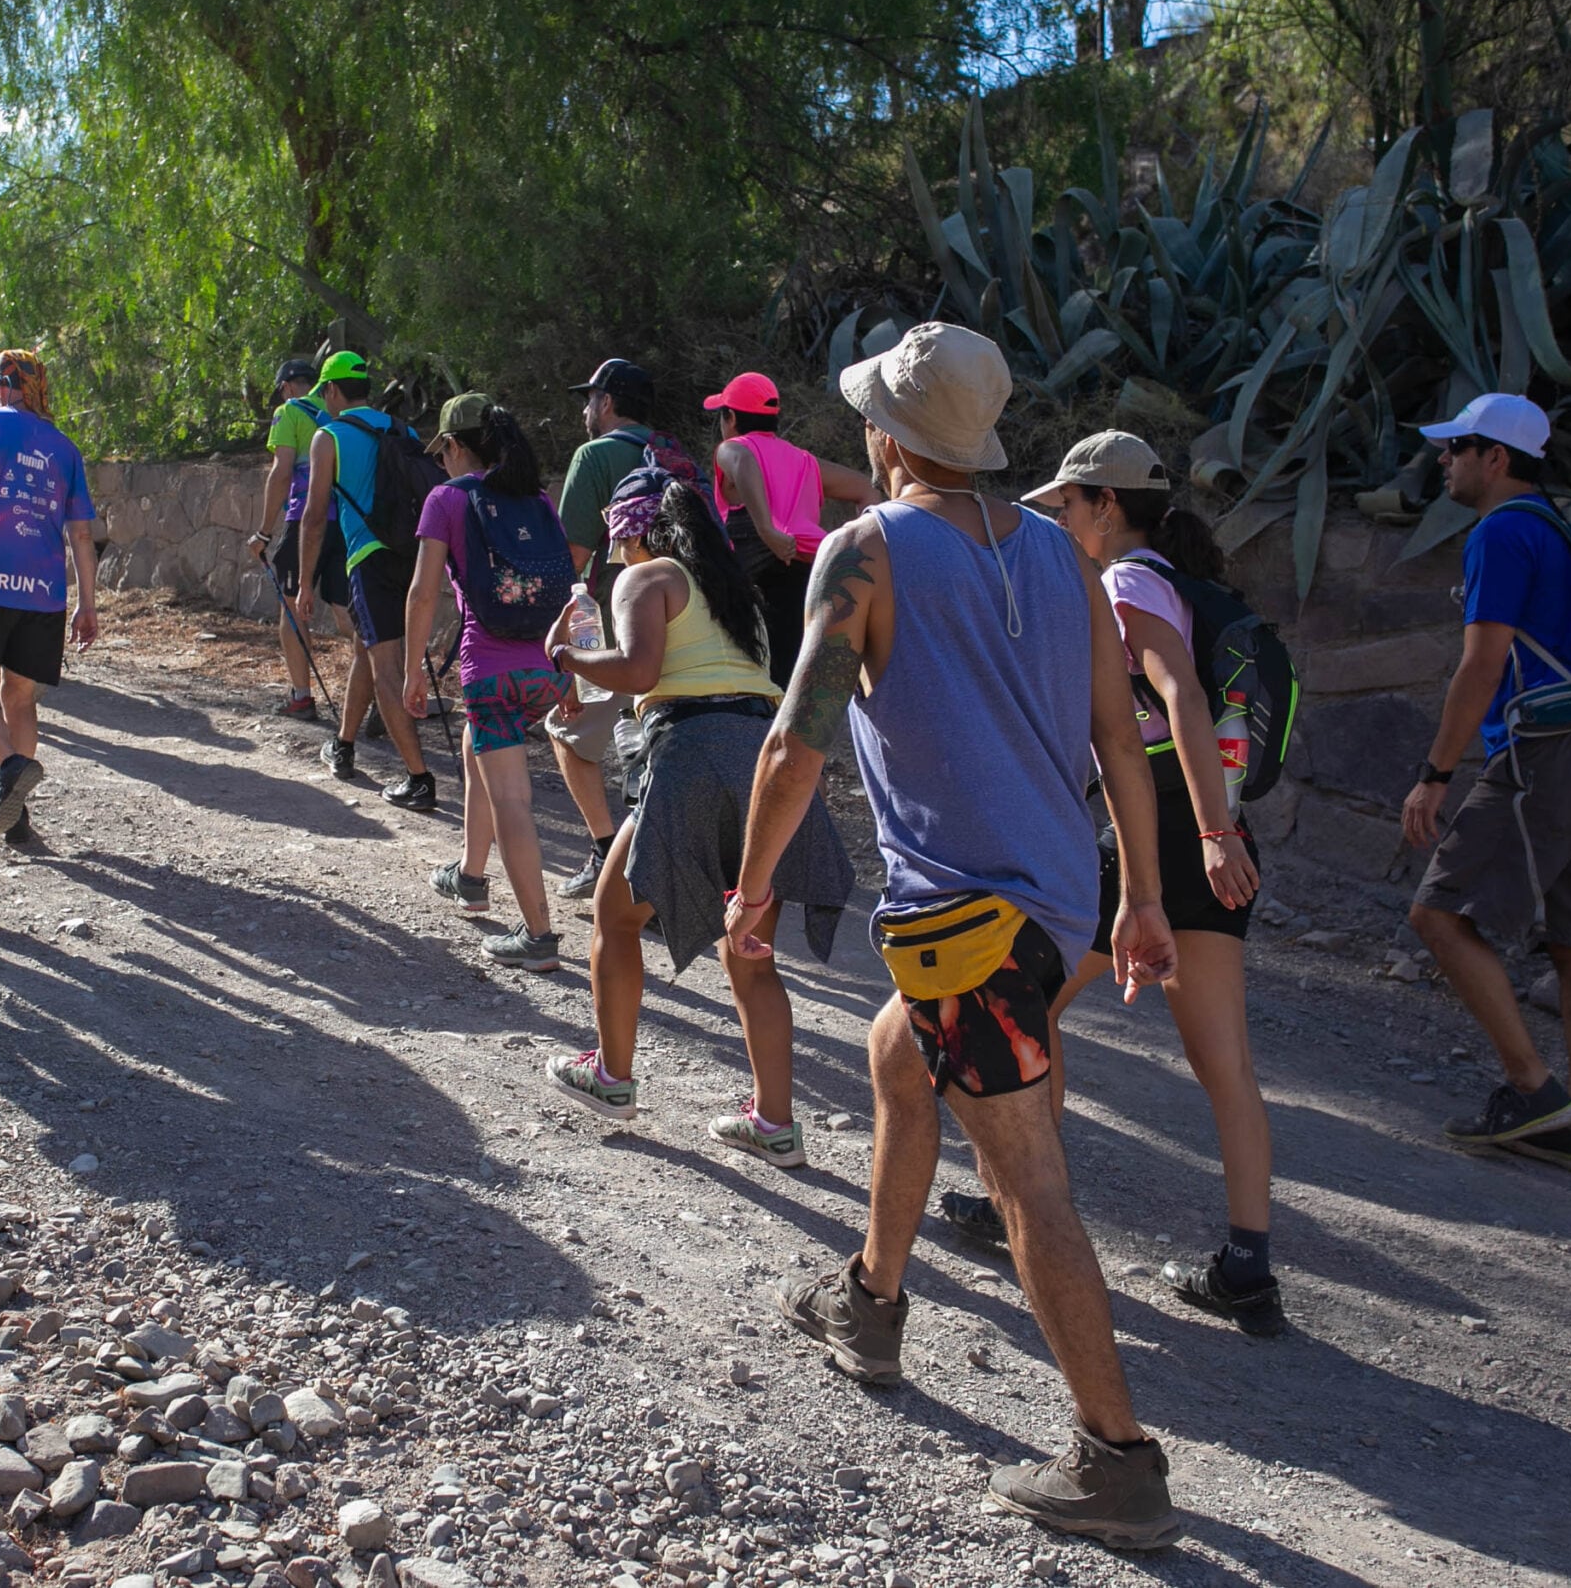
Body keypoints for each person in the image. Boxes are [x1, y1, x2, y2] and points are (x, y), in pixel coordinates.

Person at [725, 322, 1180, 1547]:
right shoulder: (1061, 553)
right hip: (1054, 904)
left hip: (963, 927)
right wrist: (1137, 896)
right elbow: (1118, 741)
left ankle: (1116, 1462)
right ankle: (870, 1302)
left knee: (1025, 1176)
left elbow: (794, 740)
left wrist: (752, 887)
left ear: (886, 438)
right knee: (893, 1056)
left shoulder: (861, 553)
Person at [1008, 430, 1282, 1336]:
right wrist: (1224, 830)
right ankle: (1248, 1264)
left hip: (1161, 831)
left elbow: (1181, 699)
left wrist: (1203, 834)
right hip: (1205, 829)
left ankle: (1024, 1205)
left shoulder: (1127, 583)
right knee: (1225, 1064)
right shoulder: (1182, 580)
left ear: (1106, 506)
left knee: (1029, 1003)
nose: (1060, 518)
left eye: (1068, 504)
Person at [540, 466, 853, 1169]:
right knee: (749, 951)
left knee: (614, 915)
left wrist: (562, 653)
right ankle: (774, 1122)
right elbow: (689, 677)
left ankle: (612, 1077)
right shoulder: (732, 594)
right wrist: (591, 690)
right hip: (763, 759)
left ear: (635, 530)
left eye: (619, 540)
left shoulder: (644, 578)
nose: (616, 555)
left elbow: (642, 670)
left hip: (692, 755)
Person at [1401, 392, 1571, 1178]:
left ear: (1494, 458)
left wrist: (1436, 774)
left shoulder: (1501, 533)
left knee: (1437, 913)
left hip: (1540, 755)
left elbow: (1482, 663)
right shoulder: (1561, 533)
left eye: (1456, 446)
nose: (1444, 459)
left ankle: (1535, 1090)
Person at [401, 395, 574, 970]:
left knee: (512, 797)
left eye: (441, 451)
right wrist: (574, 673)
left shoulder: (446, 499)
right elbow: (570, 592)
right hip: (547, 669)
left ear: (453, 446)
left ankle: (539, 937)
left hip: (492, 677)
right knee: (478, 752)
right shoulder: (537, 499)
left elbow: (423, 592)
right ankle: (471, 878)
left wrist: (411, 672)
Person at [0, 349, 100, 844]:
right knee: (20, 698)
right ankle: (17, 816)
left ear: (5, 385)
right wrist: (88, 603)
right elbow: (81, 534)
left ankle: (12, 767)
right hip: (45, 594)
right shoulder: (65, 447)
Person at [545, 359, 677, 898]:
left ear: (607, 402)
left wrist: (566, 651)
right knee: (649, 742)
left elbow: (573, 559)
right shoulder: (674, 456)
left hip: (610, 623)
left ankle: (607, 852)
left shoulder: (594, 456)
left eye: (590, 398)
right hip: (681, 618)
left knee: (567, 732)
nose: (584, 409)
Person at [295, 350, 435, 811]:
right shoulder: (404, 431)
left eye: (325, 393)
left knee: (386, 667)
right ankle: (344, 744)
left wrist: (305, 581)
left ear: (333, 390)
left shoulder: (328, 436)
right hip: (411, 556)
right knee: (367, 648)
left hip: (369, 559)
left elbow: (314, 518)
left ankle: (418, 778)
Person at [702, 371, 882, 688]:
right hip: (809, 568)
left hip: (757, 573)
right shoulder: (803, 460)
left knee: (755, 674)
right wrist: (860, 544)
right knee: (791, 672)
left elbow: (742, 461)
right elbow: (866, 488)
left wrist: (767, 530)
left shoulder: (731, 448)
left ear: (729, 418)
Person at [249, 356, 349, 721]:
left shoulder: (288, 412)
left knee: (292, 608)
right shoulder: (342, 409)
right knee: (346, 612)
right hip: (347, 522)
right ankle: (383, 685)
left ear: (288, 386)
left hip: (305, 520)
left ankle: (302, 697)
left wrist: (263, 532)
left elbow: (281, 472)